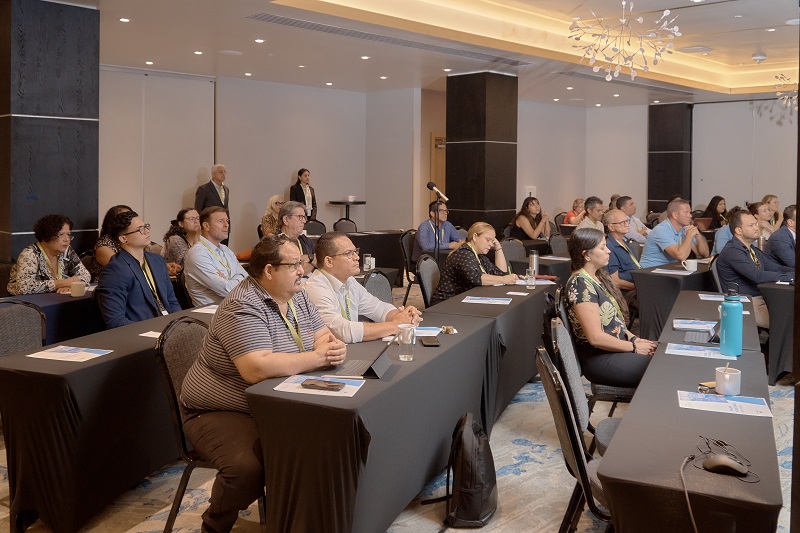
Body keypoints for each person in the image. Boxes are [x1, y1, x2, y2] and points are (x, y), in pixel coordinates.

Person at [180, 234, 346, 533]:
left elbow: (321, 335)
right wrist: (319, 358)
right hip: (221, 409)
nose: (302, 270)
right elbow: (256, 367)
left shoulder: (298, 294)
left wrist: (331, 348)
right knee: (248, 469)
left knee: (322, 443)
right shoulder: (242, 305)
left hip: (272, 402)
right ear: (269, 270)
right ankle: (214, 526)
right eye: (294, 265)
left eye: (302, 263)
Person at [564, 228, 657, 388]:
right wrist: (634, 347)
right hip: (600, 358)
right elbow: (596, 338)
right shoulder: (580, 285)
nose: (608, 251)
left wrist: (634, 338)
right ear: (586, 254)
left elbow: (614, 322)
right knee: (661, 368)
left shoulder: (597, 277)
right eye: (602, 247)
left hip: (615, 349)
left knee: (663, 356)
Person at [305, 232, 422, 342]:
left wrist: (403, 316)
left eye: (355, 251)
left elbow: (379, 308)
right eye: (348, 253)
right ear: (329, 261)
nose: (357, 257)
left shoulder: (350, 282)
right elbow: (341, 331)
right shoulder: (316, 288)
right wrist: (394, 325)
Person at [95, 211, 181, 328]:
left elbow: (172, 302)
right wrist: (152, 330)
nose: (147, 231)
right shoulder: (115, 270)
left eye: (146, 226)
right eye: (140, 229)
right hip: (142, 332)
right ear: (124, 239)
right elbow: (115, 321)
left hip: (168, 327)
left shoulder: (157, 261)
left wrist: (179, 324)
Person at [715, 210, 794, 329]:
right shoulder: (732, 251)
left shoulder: (752, 249)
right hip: (746, 302)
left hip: (762, 297)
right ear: (738, 230)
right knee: (789, 323)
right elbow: (757, 276)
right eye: (751, 225)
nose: (756, 228)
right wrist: (790, 277)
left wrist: (794, 273)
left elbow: (775, 267)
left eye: (755, 224)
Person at [430, 222, 518, 305]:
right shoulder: (463, 253)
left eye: (492, 241)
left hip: (462, 299)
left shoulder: (479, 256)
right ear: (475, 237)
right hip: (446, 302)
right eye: (488, 240)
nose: (491, 244)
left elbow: (500, 272)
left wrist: (498, 248)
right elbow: (476, 278)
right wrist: (504, 280)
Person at [8, 214, 91, 295]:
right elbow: (24, 288)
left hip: (55, 298)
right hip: (25, 304)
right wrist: (63, 283)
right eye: (61, 235)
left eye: (68, 235)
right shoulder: (29, 254)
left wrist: (70, 286)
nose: (66, 239)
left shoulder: (67, 251)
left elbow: (86, 275)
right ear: (46, 236)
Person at [183, 207, 248, 306]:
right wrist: (238, 277)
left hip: (236, 308)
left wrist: (231, 280)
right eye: (221, 221)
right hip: (212, 315)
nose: (226, 225)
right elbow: (228, 290)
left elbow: (248, 280)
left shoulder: (226, 250)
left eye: (227, 221)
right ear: (206, 226)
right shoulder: (197, 254)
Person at [640, 198, 709, 268]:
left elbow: (704, 254)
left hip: (671, 269)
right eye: (686, 212)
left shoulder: (685, 228)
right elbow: (681, 256)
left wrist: (698, 236)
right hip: (651, 271)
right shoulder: (661, 230)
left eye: (690, 212)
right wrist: (689, 236)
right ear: (675, 215)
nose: (690, 216)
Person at [603, 210, 640, 311]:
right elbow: (615, 281)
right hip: (626, 292)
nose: (627, 224)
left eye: (627, 221)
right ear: (611, 227)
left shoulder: (625, 243)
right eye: (621, 222)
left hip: (637, 285)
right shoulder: (610, 247)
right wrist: (639, 287)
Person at [89, 204, 132, 282]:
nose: (129, 221)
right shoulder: (103, 245)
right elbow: (122, 270)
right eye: (124, 218)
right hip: (108, 286)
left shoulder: (131, 239)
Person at [277, 200, 316, 276]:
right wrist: (311, 260)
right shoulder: (276, 243)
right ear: (286, 220)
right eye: (300, 217)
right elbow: (290, 272)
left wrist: (310, 258)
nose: (304, 221)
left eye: (304, 217)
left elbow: (319, 261)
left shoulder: (306, 241)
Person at [195, 164, 230, 245]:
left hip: (224, 227)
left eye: (225, 172)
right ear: (213, 174)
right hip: (210, 228)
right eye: (221, 172)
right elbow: (198, 210)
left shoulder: (226, 189)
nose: (223, 174)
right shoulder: (204, 189)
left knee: (223, 250)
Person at [162, 208, 201, 275]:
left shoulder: (201, 239)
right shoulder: (175, 240)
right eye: (191, 219)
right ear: (181, 224)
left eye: (198, 218)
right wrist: (197, 237)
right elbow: (190, 263)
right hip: (174, 282)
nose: (196, 222)